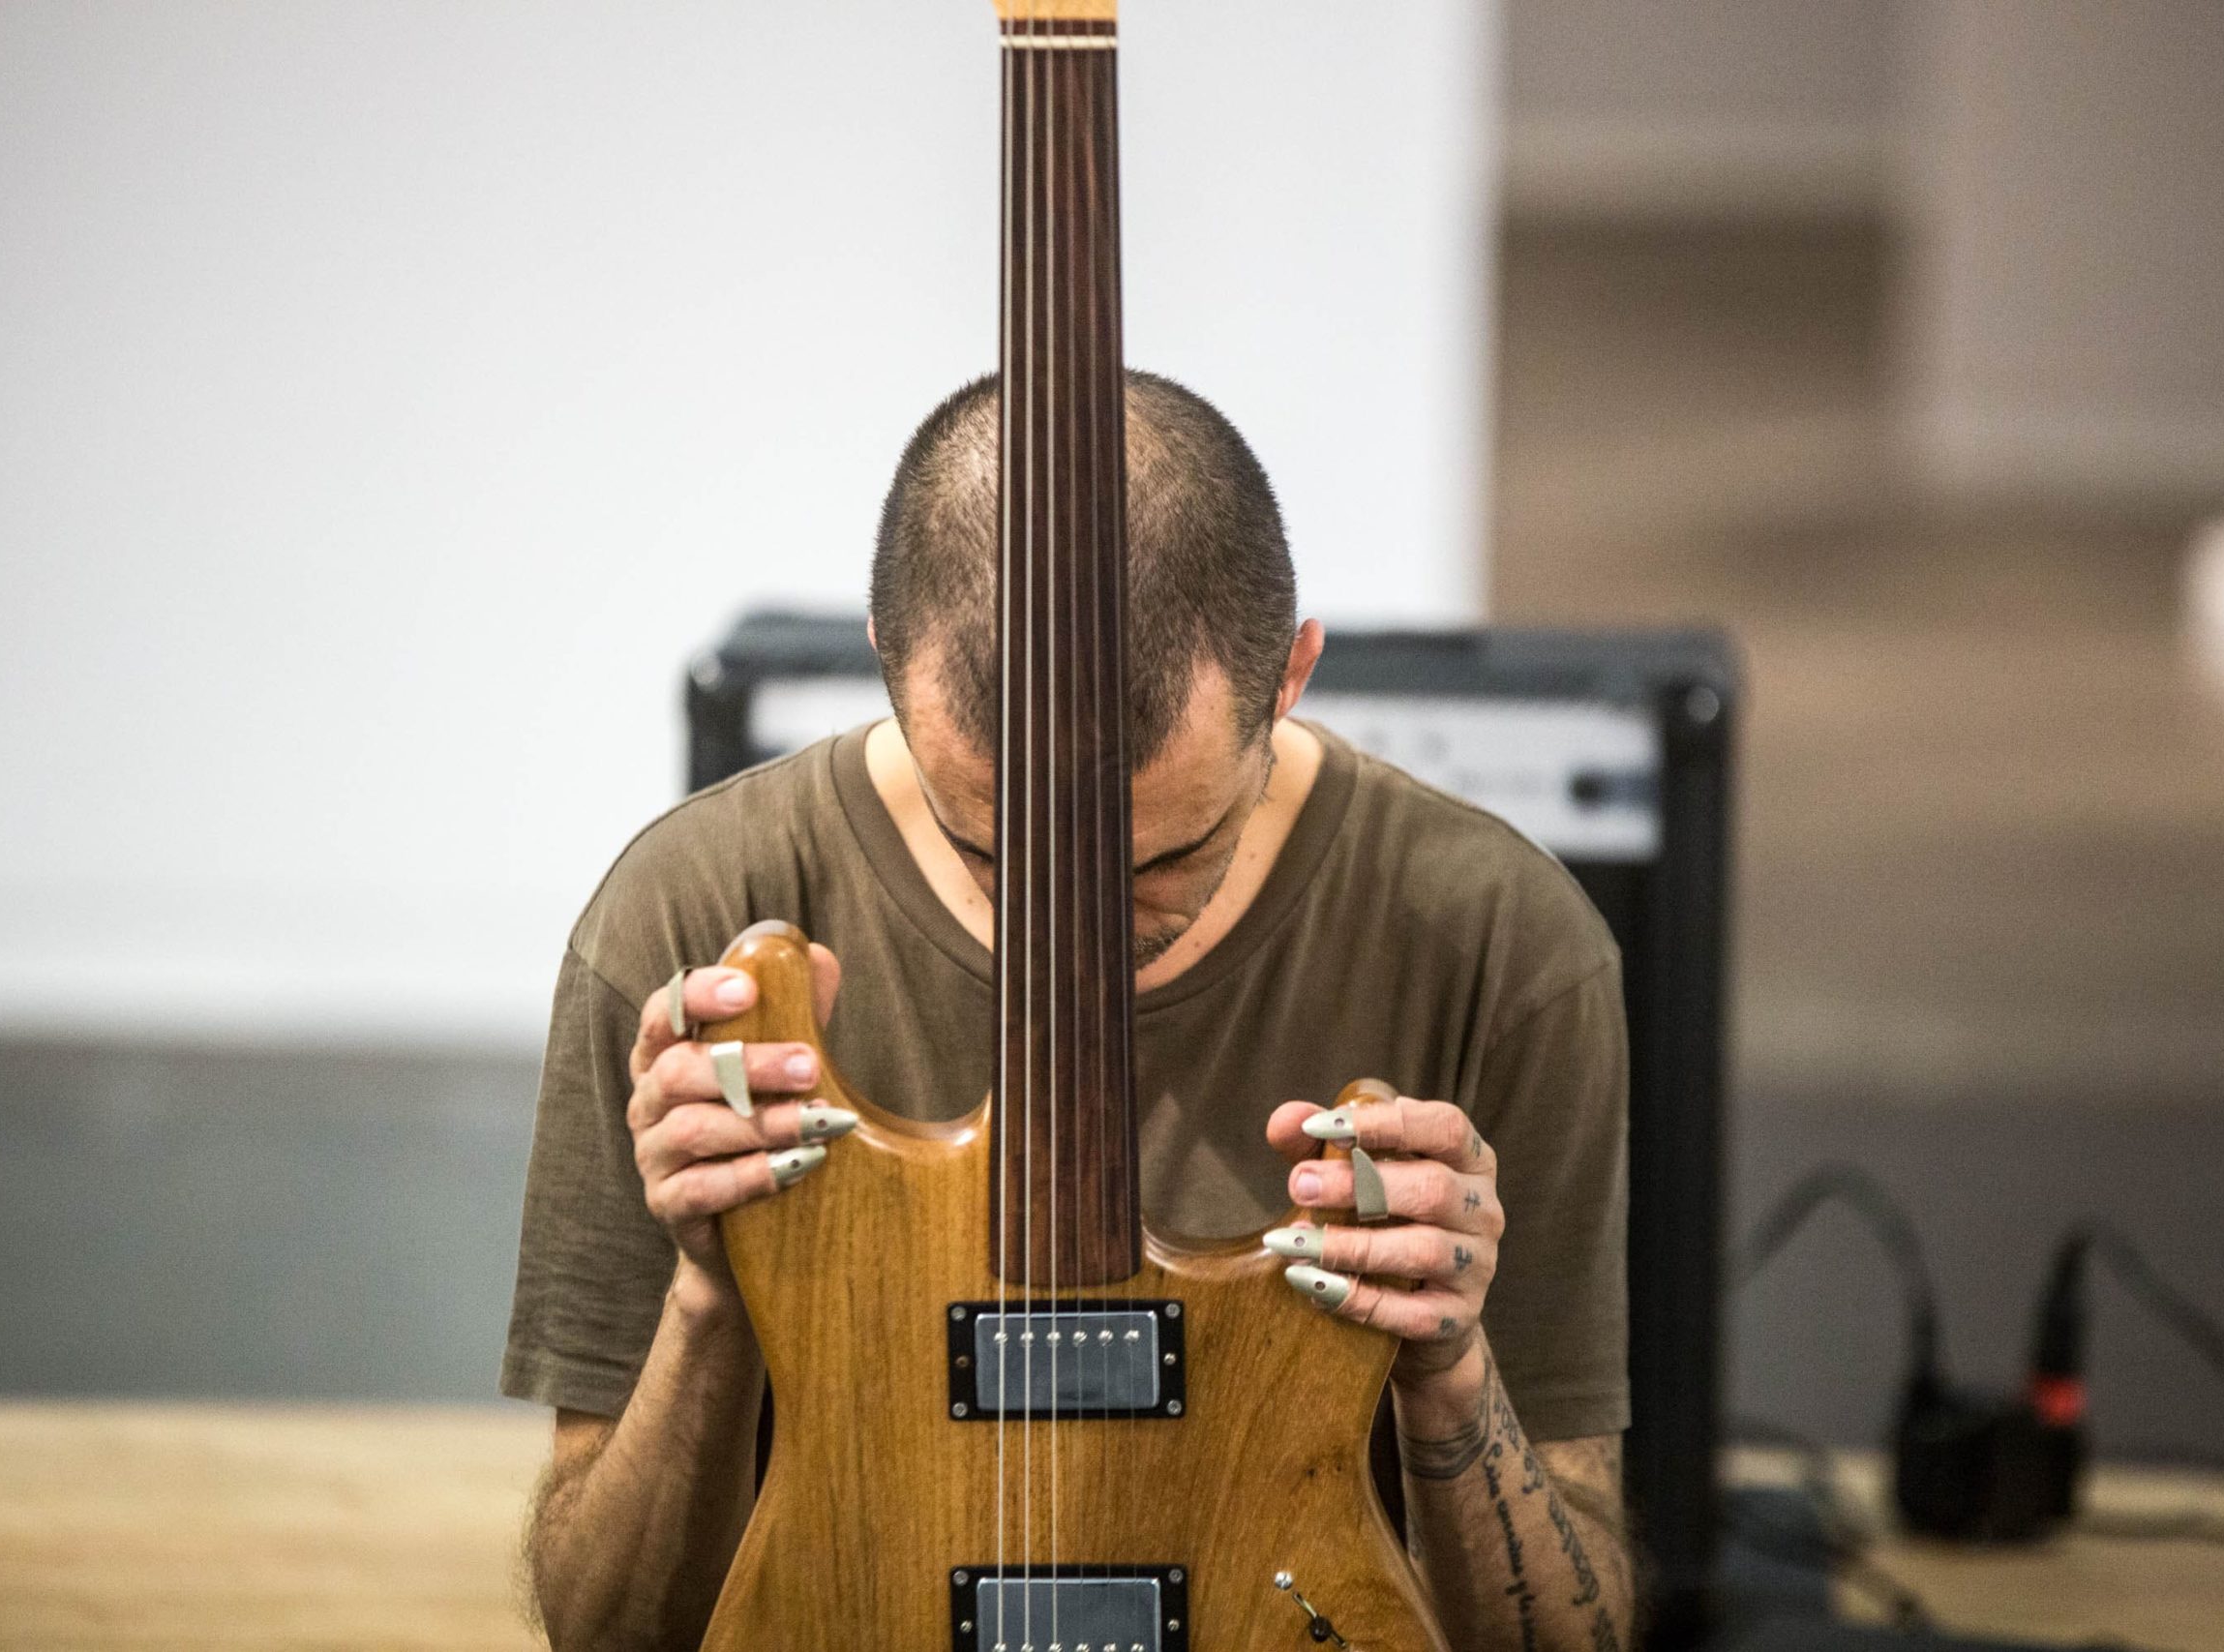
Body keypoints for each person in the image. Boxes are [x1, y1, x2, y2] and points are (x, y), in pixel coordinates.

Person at [504, 372, 1635, 1652]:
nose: (1073, 930)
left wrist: (1451, 1375)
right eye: (998, 850)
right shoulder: (685, 916)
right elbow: (606, 1635)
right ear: (891, 665)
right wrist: (712, 1294)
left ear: (1292, 676)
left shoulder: (1507, 946)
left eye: (1157, 858)